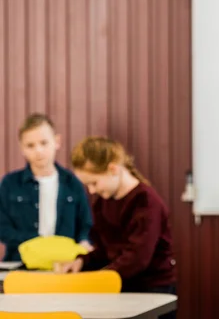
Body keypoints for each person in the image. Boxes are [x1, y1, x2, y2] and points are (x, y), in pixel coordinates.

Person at [57, 136, 177, 319]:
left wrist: (97, 280)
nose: (91, 191)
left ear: (113, 169)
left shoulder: (146, 203)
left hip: (153, 292)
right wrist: (82, 262)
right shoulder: (102, 203)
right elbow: (103, 251)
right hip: (120, 289)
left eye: (94, 183)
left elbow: (137, 258)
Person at [0, 113, 93, 261]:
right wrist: (39, 243)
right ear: (22, 148)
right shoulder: (10, 183)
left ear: (56, 141)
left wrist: (83, 243)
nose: (38, 150)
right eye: (30, 145)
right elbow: (3, 228)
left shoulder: (72, 183)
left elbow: (86, 224)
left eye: (44, 143)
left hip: (64, 264)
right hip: (20, 263)